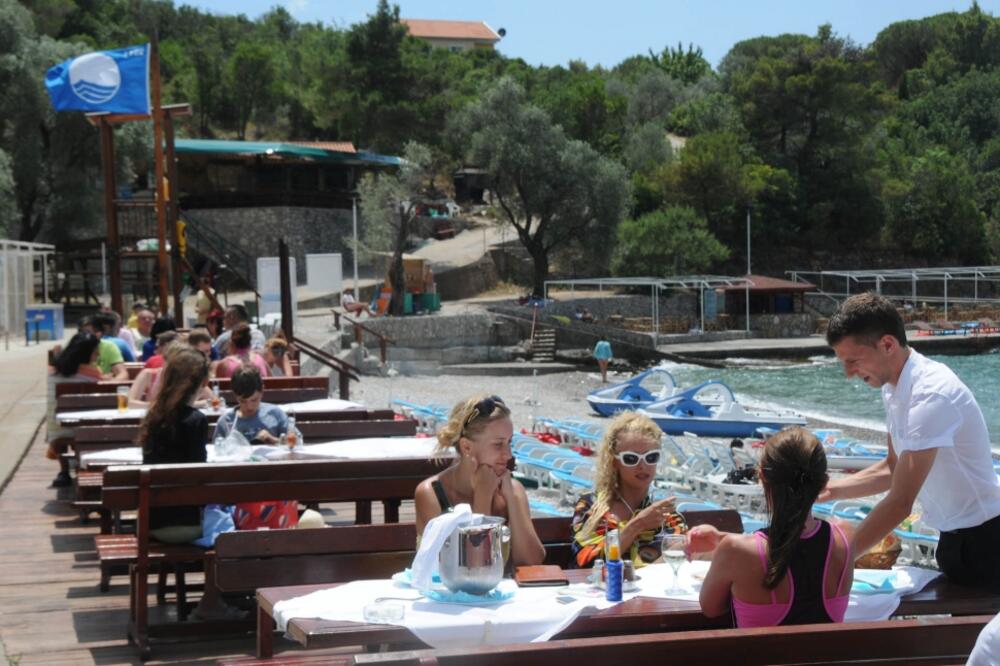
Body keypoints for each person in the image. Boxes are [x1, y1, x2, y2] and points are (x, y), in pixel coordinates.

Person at [823, 292, 1000, 591]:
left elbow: (901, 503)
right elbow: (893, 469)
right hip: (952, 538)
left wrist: (838, 562)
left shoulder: (931, 393)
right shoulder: (893, 387)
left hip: (987, 541)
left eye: (853, 361)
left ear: (888, 344)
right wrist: (828, 490)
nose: (848, 374)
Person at [689, 427, 853, 627]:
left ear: (762, 477)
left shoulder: (735, 550)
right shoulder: (844, 536)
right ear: (823, 483)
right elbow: (800, 545)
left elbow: (711, 608)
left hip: (758, 659)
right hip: (828, 658)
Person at [138, 347, 240, 619]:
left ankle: (219, 596)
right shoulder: (194, 421)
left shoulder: (154, 417)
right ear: (199, 383)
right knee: (233, 526)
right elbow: (199, 477)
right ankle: (213, 600)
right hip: (186, 525)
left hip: (154, 523)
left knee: (221, 513)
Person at [414, 395, 545, 567]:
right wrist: (483, 496)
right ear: (467, 447)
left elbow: (532, 561)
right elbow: (474, 568)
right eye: (498, 445)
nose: (509, 454)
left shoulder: (512, 489)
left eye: (509, 442)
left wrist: (512, 498)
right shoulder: (432, 494)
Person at [570, 412, 683, 568]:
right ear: (614, 462)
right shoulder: (591, 508)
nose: (642, 466)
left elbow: (675, 565)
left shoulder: (667, 516)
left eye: (651, 457)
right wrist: (636, 525)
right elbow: (586, 563)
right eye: (631, 458)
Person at [45, 332, 103, 486]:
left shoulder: (52, 371)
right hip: (86, 429)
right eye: (95, 350)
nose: (98, 353)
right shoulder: (92, 373)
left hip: (56, 430)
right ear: (87, 352)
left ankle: (64, 470)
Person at [213, 364, 287, 444]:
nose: (249, 407)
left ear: (262, 391)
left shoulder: (275, 414)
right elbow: (217, 450)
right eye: (243, 401)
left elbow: (295, 443)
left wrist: (273, 440)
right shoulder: (227, 421)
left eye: (254, 400)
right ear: (235, 395)